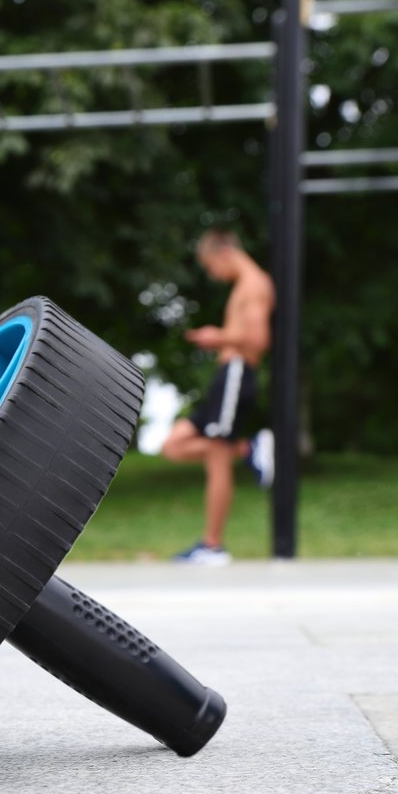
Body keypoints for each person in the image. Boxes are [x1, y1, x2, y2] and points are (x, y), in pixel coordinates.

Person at [160, 229, 275, 566]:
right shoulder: (247, 285)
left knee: (216, 456)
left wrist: (217, 337)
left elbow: (258, 340)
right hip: (227, 378)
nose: (212, 274)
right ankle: (248, 449)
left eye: (211, 266)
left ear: (224, 254)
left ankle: (212, 546)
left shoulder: (253, 286)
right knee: (173, 446)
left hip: (237, 374)